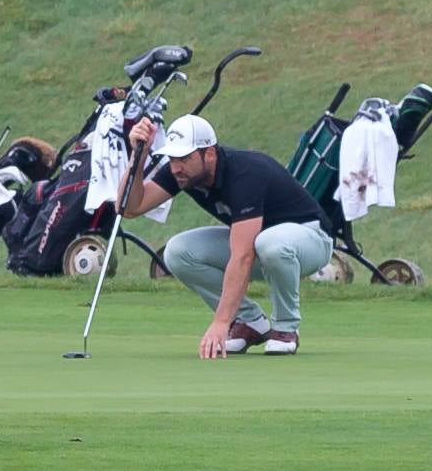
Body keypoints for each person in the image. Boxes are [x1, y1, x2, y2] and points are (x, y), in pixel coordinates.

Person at [121, 115, 333, 358]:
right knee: (178, 252)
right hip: (262, 245)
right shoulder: (181, 173)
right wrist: (137, 157)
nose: (176, 166)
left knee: (270, 243)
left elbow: (242, 256)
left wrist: (221, 322)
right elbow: (130, 208)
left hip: (311, 240)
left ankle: (285, 328)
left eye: (184, 158)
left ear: (209, 154)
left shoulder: (246, 173)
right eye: (172, 158)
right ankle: (250, 322)